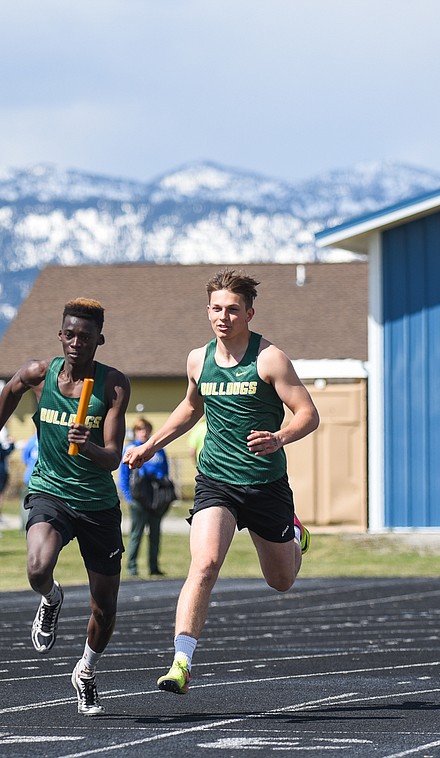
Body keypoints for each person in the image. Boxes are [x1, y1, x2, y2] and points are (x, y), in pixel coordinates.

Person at [122, 268, 319, 695]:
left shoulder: (270, 359)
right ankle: (181, 662)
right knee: (206, 563)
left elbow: (308, 413)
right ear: (207, 311)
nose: (222, 317)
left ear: (249, 312)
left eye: (232, 310)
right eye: (215, 309)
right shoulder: (199, 358)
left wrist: (280, 437)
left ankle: (294, 531)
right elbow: (191, 408)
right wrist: (151, 445)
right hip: (216, 481)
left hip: (265, 484)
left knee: (281, 580)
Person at [0, 297, 131, 716]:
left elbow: (114, 456)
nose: (76, 343)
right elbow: (9, 391)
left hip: (98, 503)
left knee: (105, 608)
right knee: (37, 568)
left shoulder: (113, 385)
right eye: (70, 334)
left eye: (86, 336)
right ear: (60, 335)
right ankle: (52, 598)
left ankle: (85, 670)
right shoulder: (39, 374)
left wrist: (90, 446)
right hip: (51, 491)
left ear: (100, 339)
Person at [118, 417, 170, 577]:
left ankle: (154, 567)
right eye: (140, 429)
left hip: (156, 496)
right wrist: (129, 497)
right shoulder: (131, 448)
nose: (144, 432)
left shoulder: (159, 450)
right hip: (139, 496)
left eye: (146, 429)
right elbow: (123, 476)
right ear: (135, 432)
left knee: (155, 534)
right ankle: (132, 566)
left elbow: (165, 472)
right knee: (136, 533)